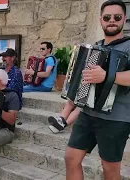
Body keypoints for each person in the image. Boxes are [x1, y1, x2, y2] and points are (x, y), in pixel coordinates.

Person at [64, 1, 130, 180]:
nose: (112, 21)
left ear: (124, 19)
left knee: (109, 168)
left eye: (117, 17)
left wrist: (108, 76)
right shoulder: (95, 47)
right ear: (100, 20)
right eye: (107, 17)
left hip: (116, 118)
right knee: (71, 158)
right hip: (87, 113)